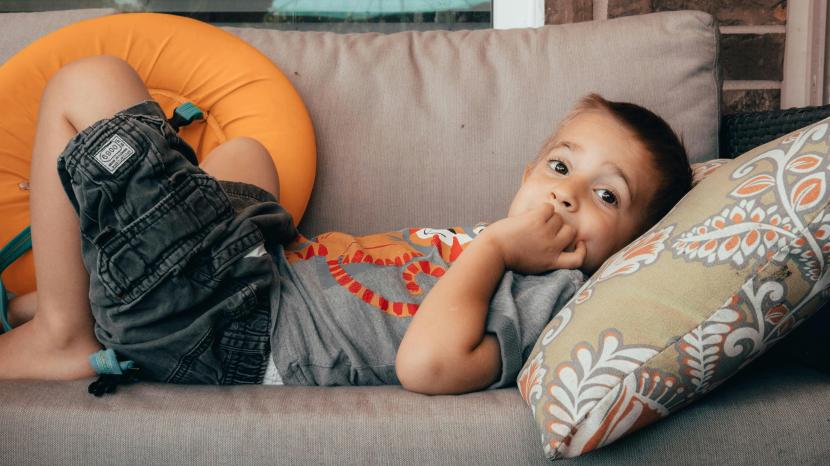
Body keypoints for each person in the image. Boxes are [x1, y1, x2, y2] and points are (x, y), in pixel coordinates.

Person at [0, 56, 692, 395]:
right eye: (560, 166)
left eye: (606, 195)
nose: (567, 195)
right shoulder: (503, 246)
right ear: (526, 171)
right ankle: (91, 296)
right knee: (248, 155)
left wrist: (495, 247)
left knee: (88, 83)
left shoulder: (551, 297)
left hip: (225, 325)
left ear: (634, 246)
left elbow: (427, 366)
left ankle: (64, 331)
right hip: (259, 273)